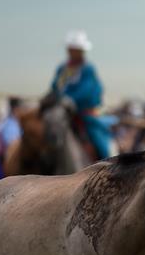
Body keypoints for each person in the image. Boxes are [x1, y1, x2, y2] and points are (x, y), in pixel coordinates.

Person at [47, 30, 112, 160]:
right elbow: (55, 87)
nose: (73, 52)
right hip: (63, 112)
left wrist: (69, 100)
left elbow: (86, 91)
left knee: (100, 142)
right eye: (71, 48)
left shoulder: (87, 69)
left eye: (76, 49)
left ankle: (108, 165)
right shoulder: (63, 69)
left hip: (84, 115)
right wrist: (52, 98)